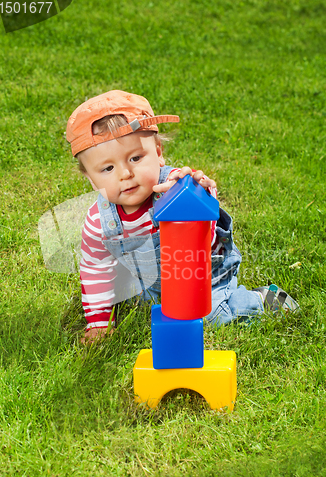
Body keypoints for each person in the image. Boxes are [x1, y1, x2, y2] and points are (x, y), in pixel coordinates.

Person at [66, 90, 299, 343]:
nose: (125, 173)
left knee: (212, 317)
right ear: (91, 179)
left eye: (135, 158)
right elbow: (95, 272)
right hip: (149, 286)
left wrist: (195, 187)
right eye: (108, 168)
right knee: (138, 308)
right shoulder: (100, 221)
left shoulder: (172, 186)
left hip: (201, 280)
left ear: (158, 151)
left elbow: (202, 203)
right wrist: (99, 324)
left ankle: (263, 300)